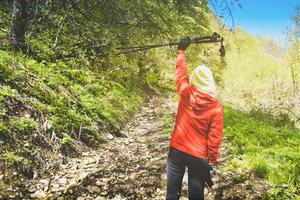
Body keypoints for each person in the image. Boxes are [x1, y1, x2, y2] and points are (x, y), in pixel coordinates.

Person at [166, 37, 224, 200]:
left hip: (177, 150)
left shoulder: (185, 93)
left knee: (172, 193)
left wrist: (181, 51)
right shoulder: (216, 108)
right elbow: (214, 138)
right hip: (198, 156)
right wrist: (211, 162)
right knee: (196, 196)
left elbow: (180, 73)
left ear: (194, 79)